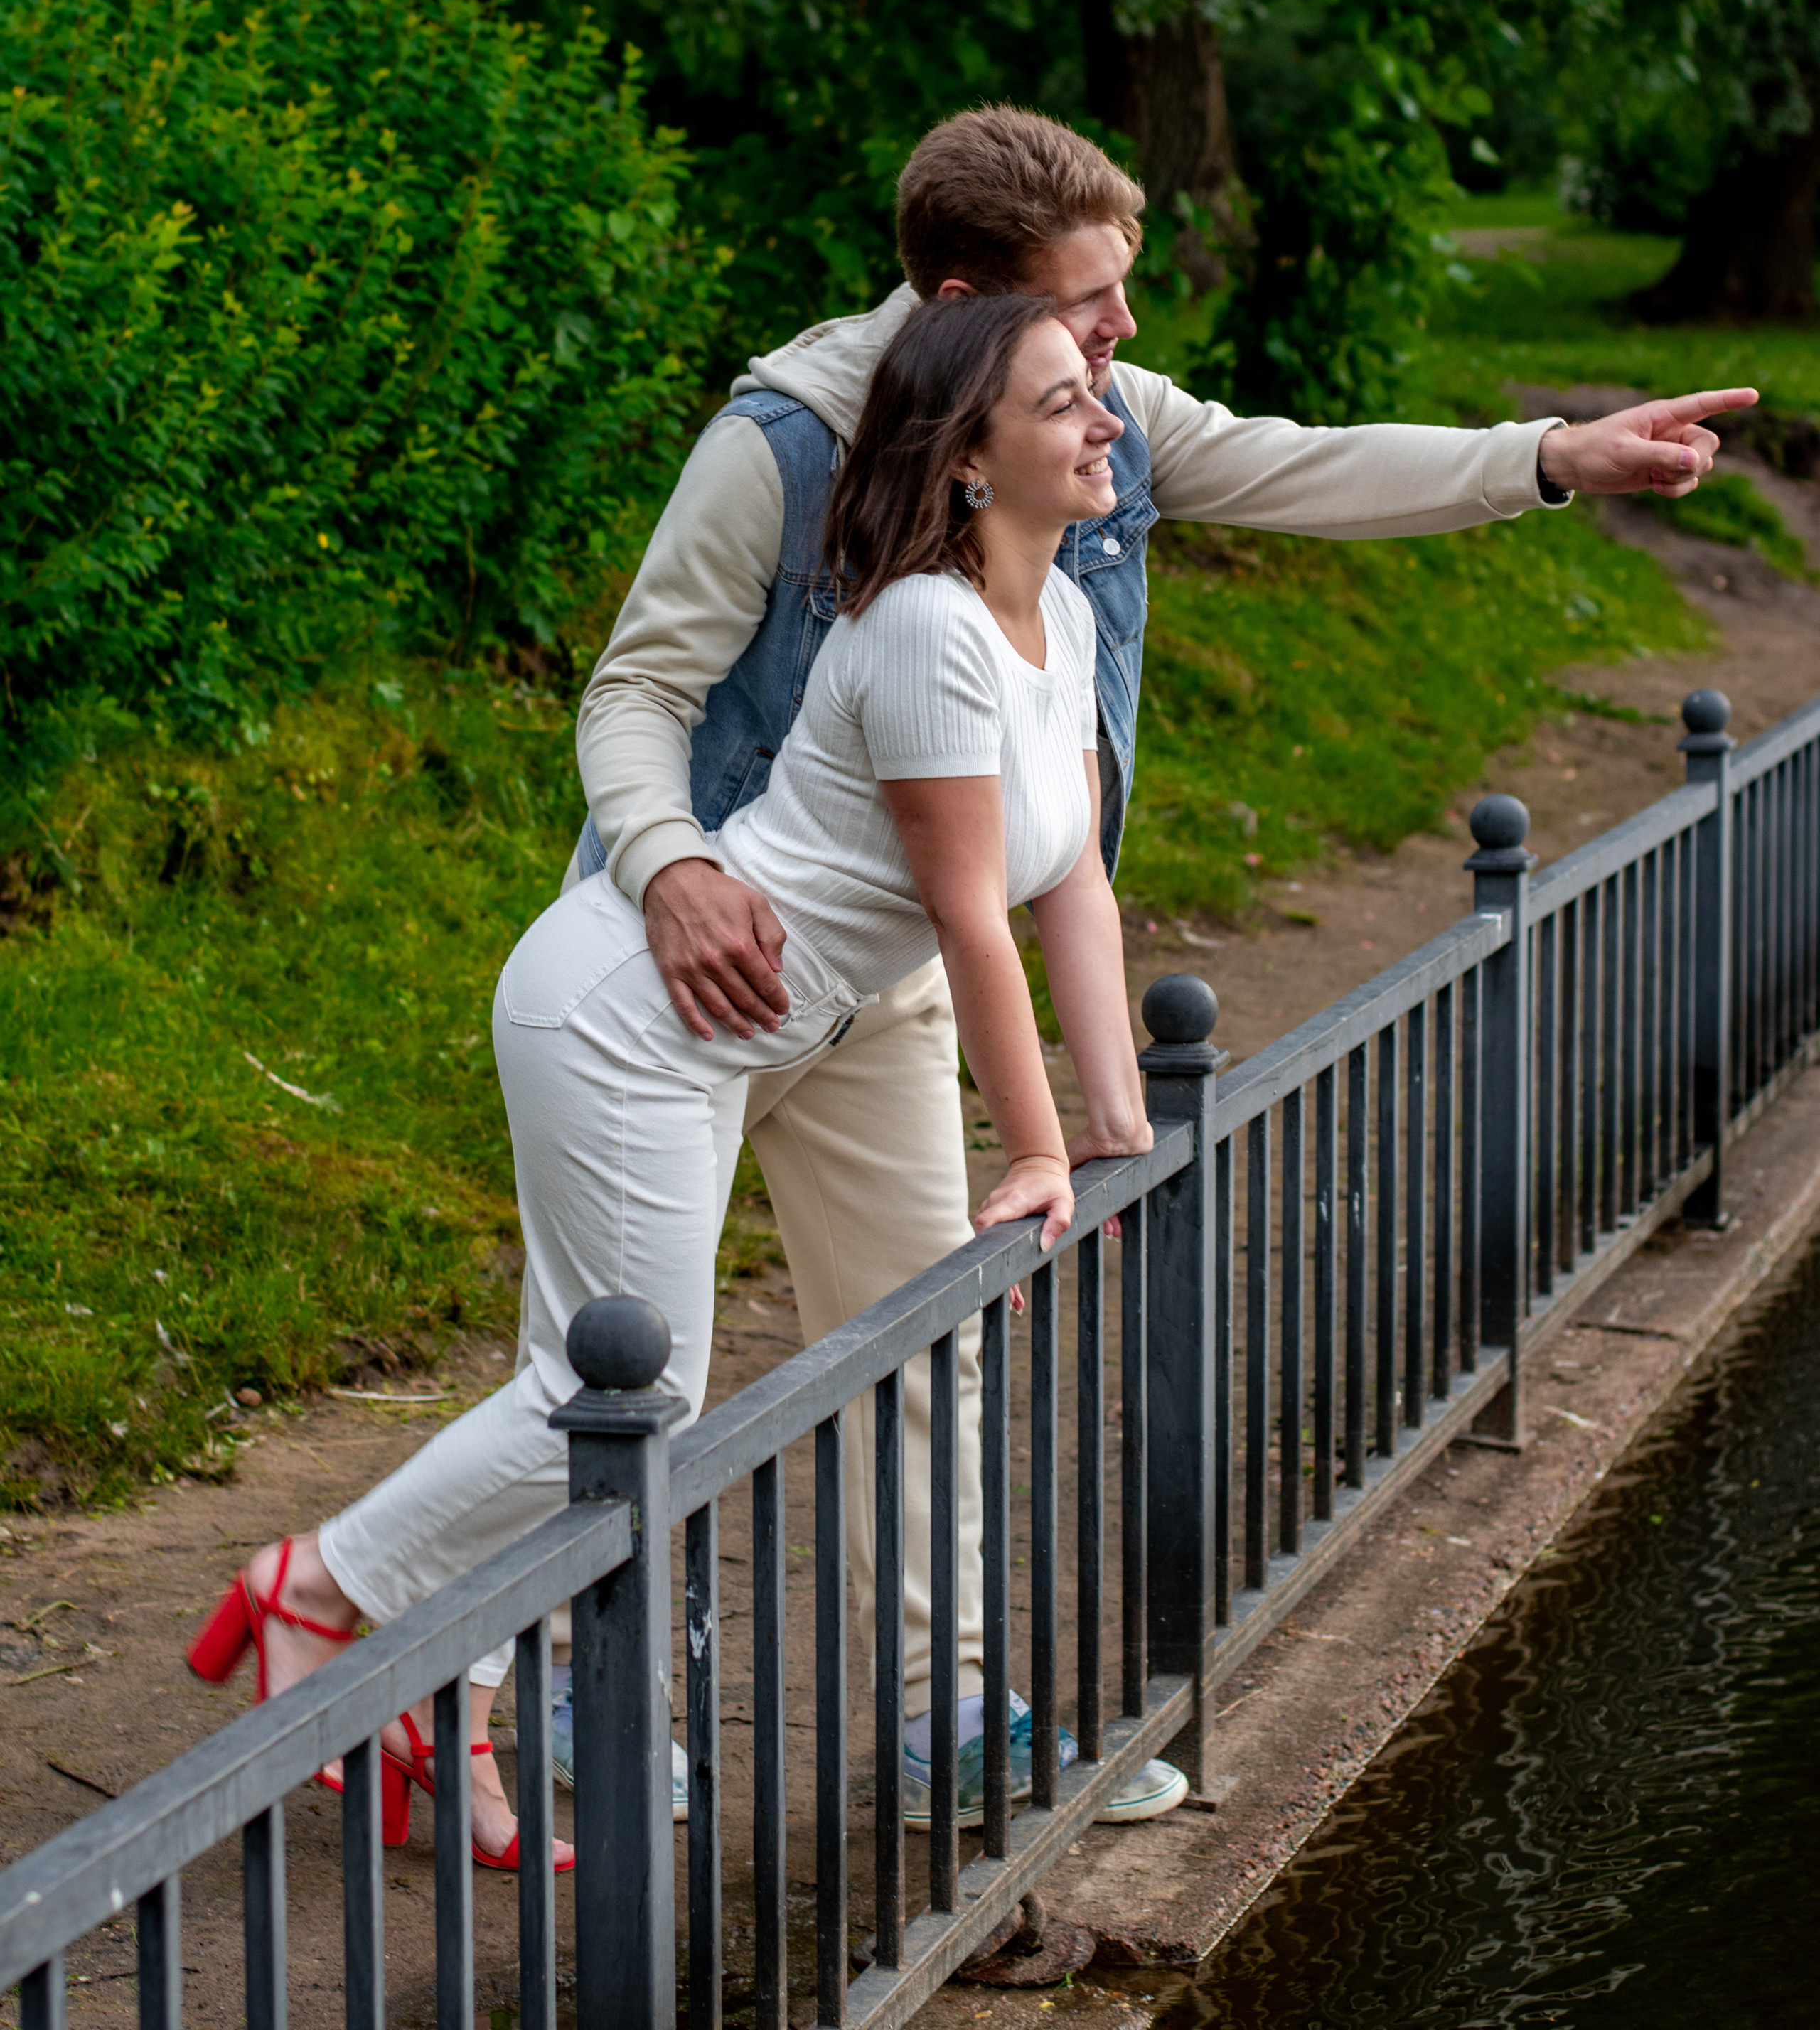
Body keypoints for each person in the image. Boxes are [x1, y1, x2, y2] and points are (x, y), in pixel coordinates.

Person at [564, 103, 1755, 1825]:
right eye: (1089, 303)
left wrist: (1551, 456)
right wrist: (668, 865)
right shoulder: (783, 439)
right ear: (969, 302)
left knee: (920, 1338)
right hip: (701, 964)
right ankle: (589, 1717)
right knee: (627, 1376)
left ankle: (936, 1718)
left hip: (888, 970)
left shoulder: (1085, 413)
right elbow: (635, 691)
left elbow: (1298, 460)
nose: (1122, 342)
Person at [186, 292, 1156, 1864]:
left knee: (623, 1396)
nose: (1103, 417)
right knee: (612, 1395)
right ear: (968, 462)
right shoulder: (919, 625)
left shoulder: (1045, 624)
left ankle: (430, 1695)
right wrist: (1037, 1155)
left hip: (748, 1025)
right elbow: (972, 920)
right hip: (629, 1019)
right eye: (1061, 402)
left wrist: (1115, 1134)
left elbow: (1072, 893)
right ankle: (318, 1590)